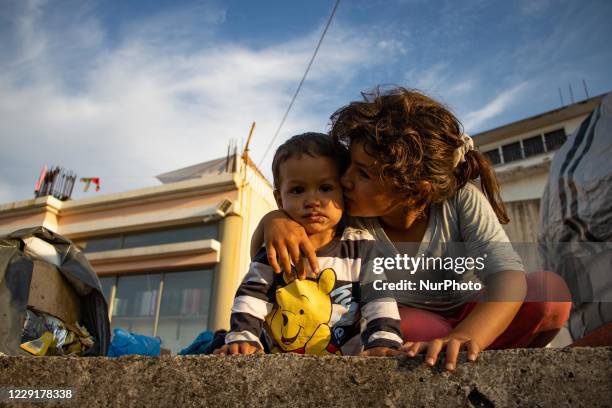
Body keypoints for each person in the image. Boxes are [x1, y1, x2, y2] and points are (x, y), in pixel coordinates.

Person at [253, 87, 571, 369]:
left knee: (549, 293)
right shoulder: (348, 209)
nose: (345, 179)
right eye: (349, 165)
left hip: (469, 317)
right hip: (403, 326)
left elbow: (507, 276)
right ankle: (445, 356)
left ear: (415, 191)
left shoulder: (461, 201)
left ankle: (468, 357)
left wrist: (466, 335)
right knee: (413, 328)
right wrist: (274, 221)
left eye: (363, 173)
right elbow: (267, 250)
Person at [214, 132, 403, 356]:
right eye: (297, 190)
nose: (313, 201)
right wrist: (244, 339)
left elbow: (379, 299)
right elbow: (252, 295)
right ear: (279, 199)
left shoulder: (361, 247)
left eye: (325, 188)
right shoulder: (277, 246)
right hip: (279, 366)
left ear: (343, 191)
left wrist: (383, 341)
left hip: (345, 365)